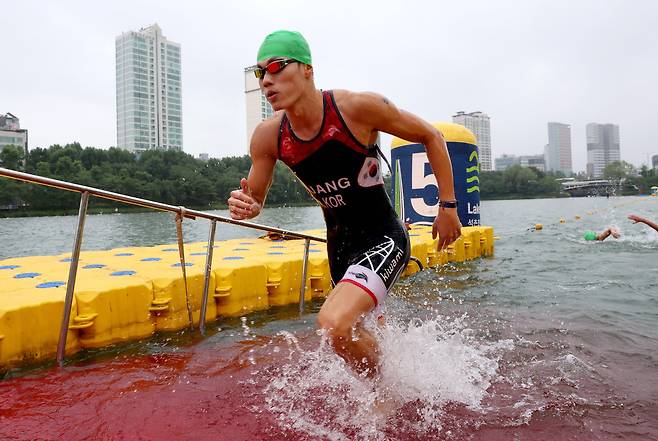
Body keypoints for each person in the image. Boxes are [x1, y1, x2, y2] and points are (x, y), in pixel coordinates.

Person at [227, 30, 461, 378]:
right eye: (260, 73)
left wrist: (448, 207)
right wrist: (246, 204)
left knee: (333, 324)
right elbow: (256, 198)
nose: (266, 81)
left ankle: (385, 393)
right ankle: (397, 387)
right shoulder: (268, 136)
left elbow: (431, 135)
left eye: (276, 67)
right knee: (354, 333)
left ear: (307, 69)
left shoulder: (356, 109)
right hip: (340, 249)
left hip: (384, 238)